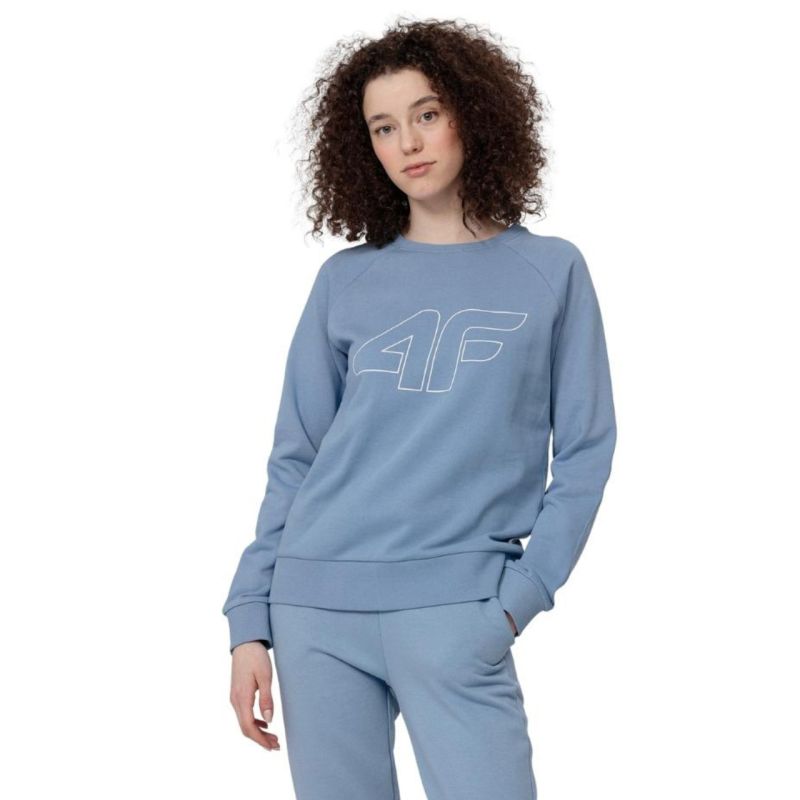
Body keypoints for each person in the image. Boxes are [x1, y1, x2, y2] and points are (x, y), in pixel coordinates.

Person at [222, 17, 616, 800]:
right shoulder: (345, 282)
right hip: (315, 610)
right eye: (383, 126)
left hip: (458, 614)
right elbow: (297, 457)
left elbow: (585, 452)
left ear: (472, 112)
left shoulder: (550, 271)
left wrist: (517, 602)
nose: (408, 142)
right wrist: (249, 618)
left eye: (427, 114)